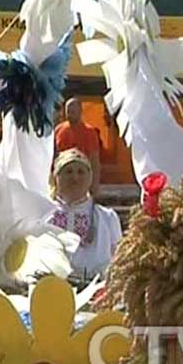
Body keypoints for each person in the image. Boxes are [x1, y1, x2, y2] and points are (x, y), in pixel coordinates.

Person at [48, 148, 121, 281]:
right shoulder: (43, 214)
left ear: (90, 178)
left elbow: (119, 260)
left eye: (81, 172)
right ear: (56, 177)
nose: (75, 178)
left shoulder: (106, 218)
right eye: (68, 172)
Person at [55, 97, 102, 195]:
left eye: (72, 111)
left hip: (81, 176)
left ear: (80, 111)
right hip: (63, 176)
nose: (69, 114)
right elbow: (54, 155)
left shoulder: (90, 132)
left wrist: (94, 185)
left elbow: (94, 160)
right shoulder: (59, 130)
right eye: (68, 111)